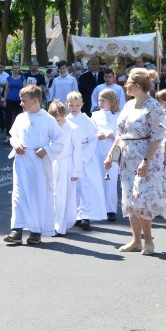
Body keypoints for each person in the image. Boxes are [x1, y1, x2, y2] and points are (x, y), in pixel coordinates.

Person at [104, 68, 166, 255]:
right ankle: (136, 240)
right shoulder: (128, 105)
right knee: (129, 198)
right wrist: (111, 155)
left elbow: (158, 136)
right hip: (127, 158)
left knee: (141, 199)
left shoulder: (153, 106)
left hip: (146, 158)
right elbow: (120, 134)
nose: (125, 84)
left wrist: (146, 161)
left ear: (136, 85)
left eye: (127, 82)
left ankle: (149, 240)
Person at [3, 85, 64, 245]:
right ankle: (16, 230)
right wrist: (16, 144)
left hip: (39, 164)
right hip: (22, 162)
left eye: (24, 101)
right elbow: (13, 136)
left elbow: (60, 141)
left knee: (37, 196)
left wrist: (47, 149)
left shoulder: (48, 119)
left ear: (36, 100)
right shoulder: (20, 118)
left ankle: (36, 231)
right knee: (19, 195)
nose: (21, 103)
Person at [65, 92, 107, 230]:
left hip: (84, 157)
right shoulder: (65, 120)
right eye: (71, 105)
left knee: (85, 186)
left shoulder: (87, 121)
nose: (74, 107)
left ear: (82, 105)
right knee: (73, 187)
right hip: (70, 156)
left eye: (77, 105)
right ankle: (75, 214)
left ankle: (85, 216)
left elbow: (93, 139)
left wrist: (83, 156)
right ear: (67, 104)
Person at [47, 100, 76, 236]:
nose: (57, 123)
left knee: (63, 197)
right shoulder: (50, 127)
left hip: (66, 165)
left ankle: (61, 225)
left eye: (59, 120)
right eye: (54, 120)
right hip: (52, 164)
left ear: (64, 116)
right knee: (51, 195)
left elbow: (78, 151)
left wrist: (77, 170)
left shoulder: (73, 128)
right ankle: (50, 223)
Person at [91, 89, 120, 221]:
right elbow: (91, 131)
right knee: (99, 178)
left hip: (113, 150)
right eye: (99, 100)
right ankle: (99, 208)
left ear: (111, 101)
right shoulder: (95, 115)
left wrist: (113, 135)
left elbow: (122, 133)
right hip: (99, 149)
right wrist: (98, 135)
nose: (100, 103)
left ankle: (111, 209)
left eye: (103, 100)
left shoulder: (118, 115)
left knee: (111, 179)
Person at [3, 63, 25, 134]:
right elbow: (6, 90)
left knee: (19, 118)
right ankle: (7, 135)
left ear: (19, 69)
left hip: (19, 101)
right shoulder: (8, 78)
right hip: (10, 100)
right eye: (14, 68)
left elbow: (24, 90)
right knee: (8, 118)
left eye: (17, 68)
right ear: (12, 69)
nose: (15, 70)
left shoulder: (22, 78)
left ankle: (18, 134)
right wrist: (4, 100)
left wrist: (24, 101)